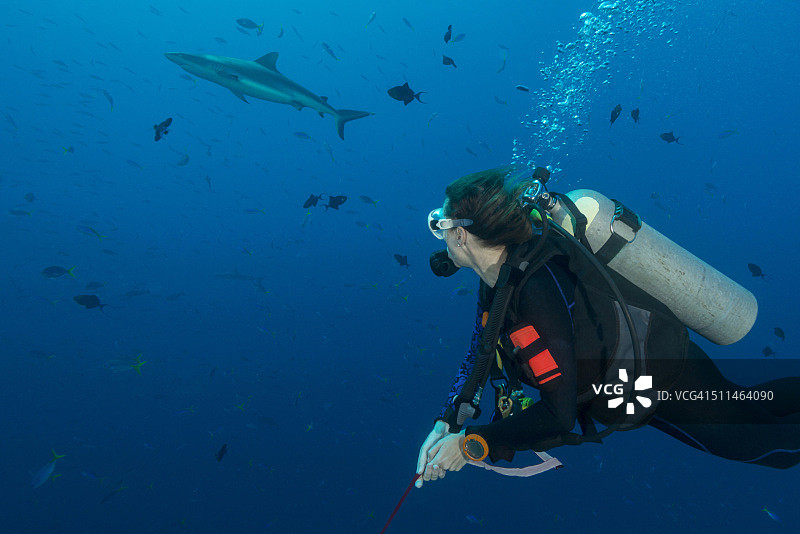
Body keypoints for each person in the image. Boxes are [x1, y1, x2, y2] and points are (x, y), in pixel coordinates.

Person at [415, 167, 800, 488]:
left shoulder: (535, 291)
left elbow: (559, 414)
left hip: (659, 379)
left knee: (769, 448)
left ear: (461, 234)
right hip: (643, 370)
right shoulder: (498, 277)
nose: (441, 238)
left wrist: (470, 444)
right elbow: (480, 353)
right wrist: (447, 422)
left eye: (440, 226)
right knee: (748, 406)